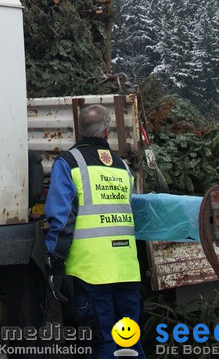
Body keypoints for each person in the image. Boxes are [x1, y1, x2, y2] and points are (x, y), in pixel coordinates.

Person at [44, 103, 144, 359]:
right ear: (107, 132)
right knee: (129, 345)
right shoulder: (123, 167)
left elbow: (61, 220)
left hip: (91, 274)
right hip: (126, 270)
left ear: (79, 131)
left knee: (102, 346)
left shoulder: (68, 163)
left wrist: (55, 264)